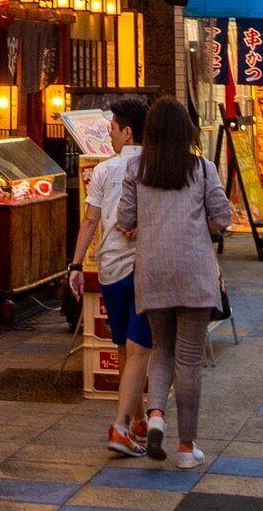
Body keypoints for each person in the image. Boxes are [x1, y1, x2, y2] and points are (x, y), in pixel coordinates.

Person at [116, 97, 230, 473]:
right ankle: (186, 446)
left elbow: (125, 217)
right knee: (189, 360)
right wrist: (204, 226)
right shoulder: (202, 168)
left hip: (152, 272)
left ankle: (157, 417)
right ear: (187, 132)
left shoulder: (136, 168)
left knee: (161, 349)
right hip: (194, 272)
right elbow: (223, 216)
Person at [71, 96, 163, 459]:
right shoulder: (155, 168)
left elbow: (90, 220)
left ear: (127, 132)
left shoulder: (106, 171)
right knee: (141, 348)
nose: (109, 134)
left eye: (112, 128)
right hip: (142, 268)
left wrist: (76, 265)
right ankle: (123, 424)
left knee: (125, 346)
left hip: (108, 269)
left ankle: (136, 420)